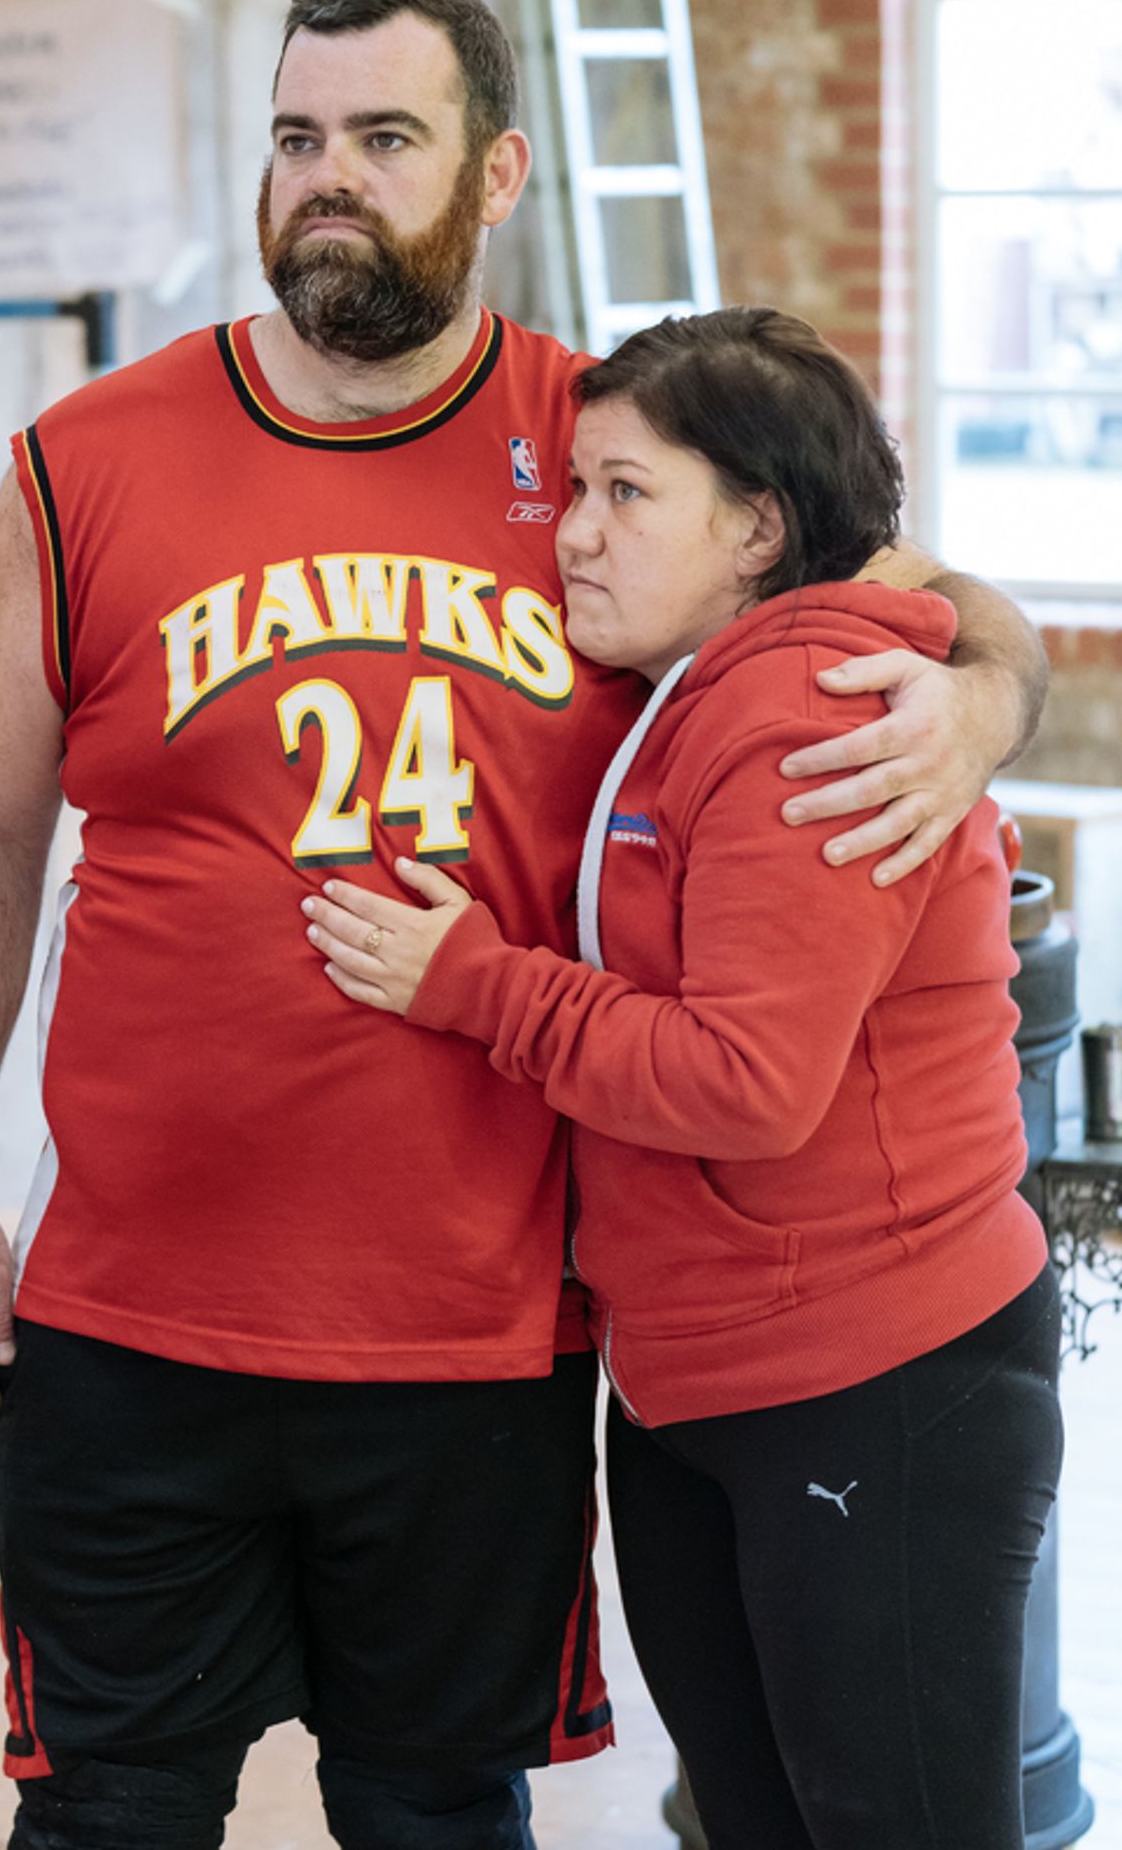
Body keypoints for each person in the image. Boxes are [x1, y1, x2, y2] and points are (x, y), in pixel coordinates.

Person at [0, 0, 1048, 1850]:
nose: (326, 176)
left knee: (439, 1816)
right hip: (131, 1320)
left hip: (479, 1331)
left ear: (498, 175)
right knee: (107, 1816)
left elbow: (925, 590)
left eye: (385, 136)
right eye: (295, 137)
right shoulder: (81, 465)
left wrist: (986, 694)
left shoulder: (618, 455)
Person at [301, 306, 1062, 1850]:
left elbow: (746, 1081)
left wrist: (477, 986)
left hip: (870, 1375)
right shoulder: (707, 688)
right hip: (713, 1377)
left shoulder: (809, 713)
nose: (573, 537)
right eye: (571, 491)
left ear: (757, 527)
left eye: (627, 495)